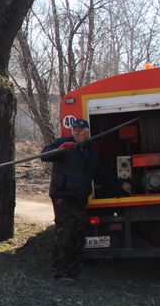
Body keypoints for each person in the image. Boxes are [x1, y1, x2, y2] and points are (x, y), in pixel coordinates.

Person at [40, 119, 131, 280]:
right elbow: (45, 155)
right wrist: (60, 150)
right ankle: (60, 271)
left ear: (87, 132)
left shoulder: (90, 150)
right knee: (65, 233)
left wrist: (120, 185)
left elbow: (100, 172)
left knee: (78, 234)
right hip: (63, 195)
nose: (75, 132)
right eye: (74, 129)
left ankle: (74, 271)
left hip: (80, 197)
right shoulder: (63, 143)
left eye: (79, 130)